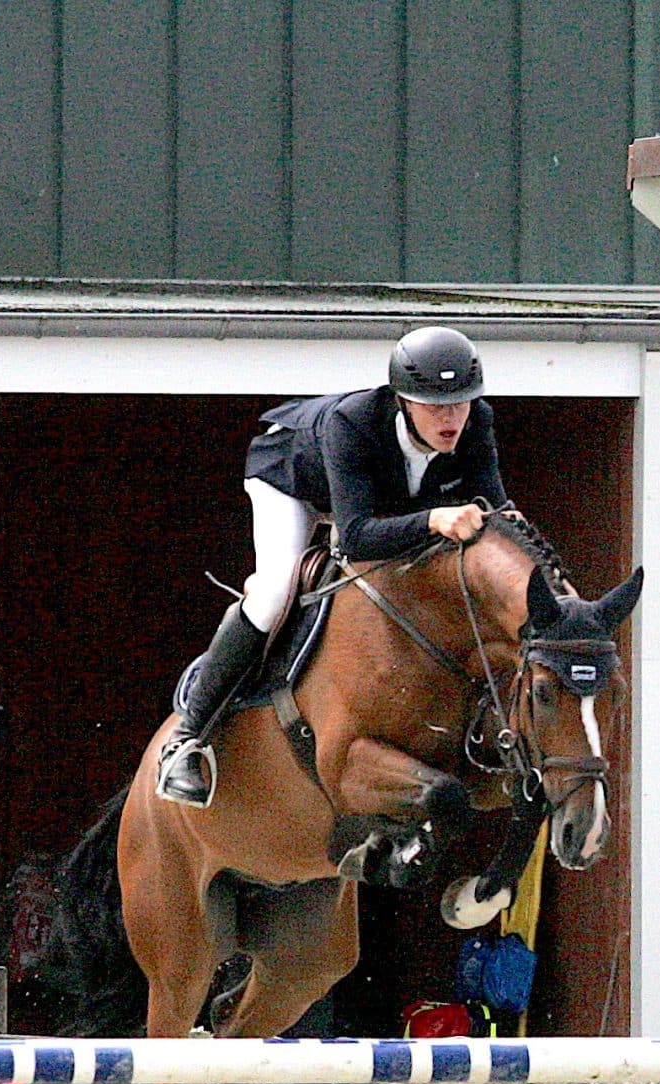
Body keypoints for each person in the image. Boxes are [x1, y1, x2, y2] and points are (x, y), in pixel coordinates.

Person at [155, 326, 511, 808]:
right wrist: (433, 518)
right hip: (292, 479)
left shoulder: (477, 422)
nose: (450, 418)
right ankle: (188, 736)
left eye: (459, 403)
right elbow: (360, 538)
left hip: (374, 495)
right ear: (403, 402)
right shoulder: (353, 422)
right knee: (275, 590)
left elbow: (493, 507)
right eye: (433, 406)